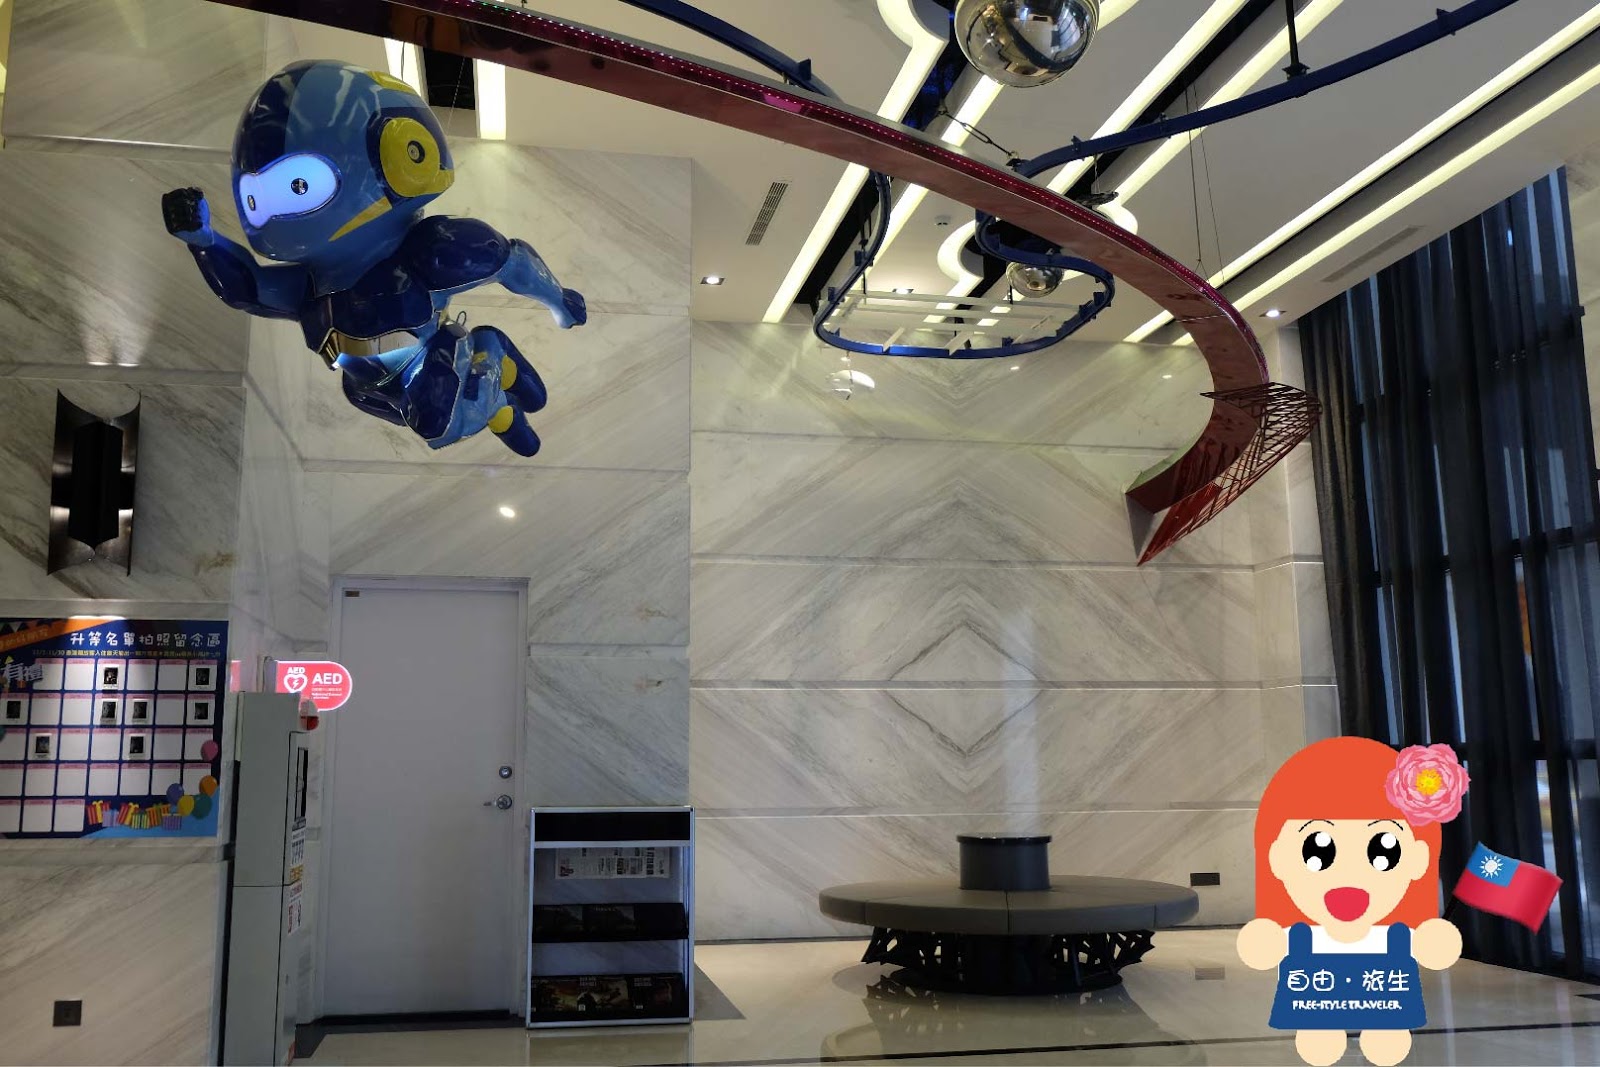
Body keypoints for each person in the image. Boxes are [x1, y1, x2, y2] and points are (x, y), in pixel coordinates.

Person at [1237, 736, 1469, 1066]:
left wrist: (1432, 939)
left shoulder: (1393, 933)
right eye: (1317, 851)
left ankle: (1378, 1031)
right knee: (1321, 1039)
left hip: (1381, 1004)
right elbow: (1264, 948)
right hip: (1320, 1003)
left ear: (1418, 859)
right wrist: (1266, 939)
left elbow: (1430, 948)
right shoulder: (1304, 933)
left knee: (1383, 1039)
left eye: (1384, 851)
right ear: (1278, 856)